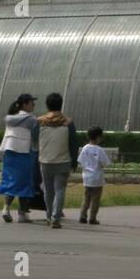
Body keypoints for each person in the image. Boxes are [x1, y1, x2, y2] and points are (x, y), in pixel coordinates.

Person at [37, 92, 79, 228]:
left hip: (45, 161)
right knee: (60, 189)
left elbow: (33, 141)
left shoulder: (40, 121)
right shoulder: (68, 123)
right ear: (61, 105)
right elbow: (73, 143)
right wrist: (74, 161)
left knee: (48, 190)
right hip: (63, 161)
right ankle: (56, 217)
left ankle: (49, 215)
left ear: (47, 105)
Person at [0, 94, 38, 222]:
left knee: (10, 180)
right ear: (25, 104)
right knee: (25, 182)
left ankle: (6, 208)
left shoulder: (10, 119)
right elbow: (36, 136)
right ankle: (22, 213)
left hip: (9, 153)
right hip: (24, 153)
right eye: (32, 103)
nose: (33, 105)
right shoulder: (31, 119)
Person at [77, 126, 110, 225]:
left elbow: (80, 161)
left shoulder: (85, 148)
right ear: (98, 137)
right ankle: (92, 218)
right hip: (97, 177)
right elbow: (105, 163)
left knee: (86, 197)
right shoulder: (99, 150)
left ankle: (82, 215)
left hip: (87, 176)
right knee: (95, 199)